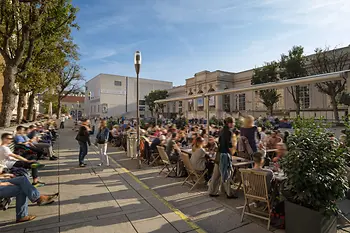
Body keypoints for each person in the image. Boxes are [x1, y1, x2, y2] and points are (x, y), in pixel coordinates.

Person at [208, 117, 237, 199]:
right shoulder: (228, 132)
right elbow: (229, 144)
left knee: (216, 174)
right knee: (226, 173)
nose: (233, 124)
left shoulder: (221, 130)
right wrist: (231, 151)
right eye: (233, 122)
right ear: (229, 123)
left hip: (219, 154)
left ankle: (212, 191)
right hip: (225, 154)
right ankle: (229, 193)